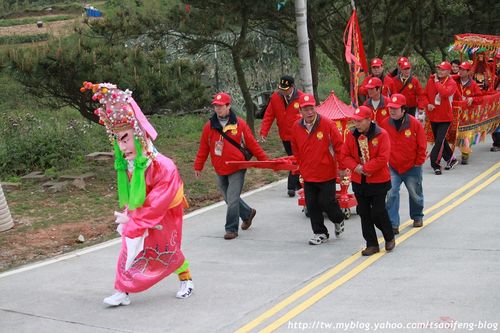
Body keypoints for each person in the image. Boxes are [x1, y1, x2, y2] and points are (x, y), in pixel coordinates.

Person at [80, 82, 194, 306]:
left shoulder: (164, 166)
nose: (122, 147)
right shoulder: (132, 165)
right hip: (141, 212)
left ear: (140, 137)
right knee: (129, 247)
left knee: (167, 250)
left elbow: (157, 203)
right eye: (118, 140)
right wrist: (130, 216)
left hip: (166, 213)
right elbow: (138, 198)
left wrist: (133, 219)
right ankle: (122, 291)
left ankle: (186, 279)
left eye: (126, 139)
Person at [194, 92, 268, 240]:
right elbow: (203, 147)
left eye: (221, 106)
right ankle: (247, 213)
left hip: (237, 167)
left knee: (232, 198)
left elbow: (252, 143)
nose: (218, 109)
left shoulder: (239, 124)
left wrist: (264, 160)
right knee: (229, 198)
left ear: (228, 106)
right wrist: (198, 165)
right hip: (220, 168)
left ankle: (231, 229)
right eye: (216, 106)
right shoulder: (209, 126)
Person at [290, 93, 346, 245]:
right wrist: (300, 164)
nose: (309, 112)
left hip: (326, 172)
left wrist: (342, 166)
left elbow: (339, 146)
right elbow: (295, 148)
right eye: (305, 109)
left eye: (311, 108)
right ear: (300, 110)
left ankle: (338, 219)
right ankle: (320, 232)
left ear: (315, 107)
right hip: (308, 174)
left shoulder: (327, 124)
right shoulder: (296, 127)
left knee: (326, 202)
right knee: (312, 204)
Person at [341, 106, 395, 256]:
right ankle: (371, 244)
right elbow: (344, 155)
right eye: (355, 121)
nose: (357, 124)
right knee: (363, 212)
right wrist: (356, 167)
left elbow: (383, 158)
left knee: (378, 211)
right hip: (359, 180)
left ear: (369, 120)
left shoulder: (381, 135)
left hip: (378, 180)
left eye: (360, 121)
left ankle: (389, 236)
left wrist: (366, 168)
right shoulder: (351, 135)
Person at [380, 94, 426, 234]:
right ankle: (393, 223)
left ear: (404, 109)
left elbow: (422, 145)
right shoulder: (385, 123)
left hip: (412, 166)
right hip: (393, 166)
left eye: (395, 108)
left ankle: (417, 216)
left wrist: (418, 163)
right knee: (392, 193)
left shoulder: (414, 124)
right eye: (390, 108)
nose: (392, 111)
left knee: (415, 194)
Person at [259, 75, 303, 197]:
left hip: (298, 136)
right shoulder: (275, 97)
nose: (283, 91)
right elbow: (269, 115)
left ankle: (291, 186)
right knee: (293, 158)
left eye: (286, 89)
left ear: (292, 87)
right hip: (284, 135)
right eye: (281, 88)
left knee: (295, 158)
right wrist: (264, 132)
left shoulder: (301, 97)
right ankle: (299, 183)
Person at [421, 61, 458, 175]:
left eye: (443, 70)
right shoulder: (431, 80)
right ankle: (451, 159)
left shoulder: (451, 83)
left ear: (448, 71)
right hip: (433, 116)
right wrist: (427, 104)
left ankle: (435, 164)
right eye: (439, 69)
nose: (440, 71)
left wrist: (437, 82)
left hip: (445, 118)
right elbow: (424, 95)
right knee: (441, 140)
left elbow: (444, 93)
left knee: (439, 141)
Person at [452, 61, 483, 164]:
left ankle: (465, 154)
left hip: (467, 114)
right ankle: (450, 155)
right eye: (459, 69)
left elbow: (480, 98)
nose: (460, 71)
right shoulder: (454, 81)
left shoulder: (473, 84)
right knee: (454, 133)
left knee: (466, 134)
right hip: (455, 112)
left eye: (463, 69)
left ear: (468, 72)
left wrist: (472, 99)